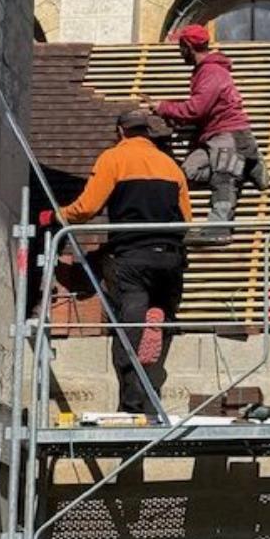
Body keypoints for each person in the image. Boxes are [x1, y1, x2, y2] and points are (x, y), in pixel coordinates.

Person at [58, 108, 192, 414]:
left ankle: (131, 405)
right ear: (147, 132)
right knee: (161, 307)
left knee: (127, 327)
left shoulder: (114, 158)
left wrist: (58, 215)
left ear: (120, 132)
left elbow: (87, 208)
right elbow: (185, 219)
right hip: (170, 258)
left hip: (131, 258)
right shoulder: (170, 165)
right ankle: (161, 317)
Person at [154, 24, 268, 242]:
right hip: (212, 139)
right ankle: (246, 164)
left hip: (230, 135)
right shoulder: (202, 72)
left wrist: (163, 107)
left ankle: (218, 230)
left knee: (223, 179)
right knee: (187, 172)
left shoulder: (212, 72)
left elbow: (197, 108)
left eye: (180, 46)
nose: (179, 51)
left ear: (187, 46)